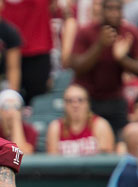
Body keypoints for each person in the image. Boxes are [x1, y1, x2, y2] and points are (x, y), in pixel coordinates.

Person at [70, 0, 138, 135]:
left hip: (115, 98)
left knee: (120, 140)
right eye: (109, 9)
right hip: (88, 99)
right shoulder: (86, 31)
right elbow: (77, 67)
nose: (114, 13)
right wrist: (100, 45)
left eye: (117, 9)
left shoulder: (130, 33)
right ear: (101, 10)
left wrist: (122, 59)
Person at [46, 84, 115, 157]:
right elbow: (53, 162)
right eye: (70, 101)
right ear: (64, 105)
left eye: (80, 100)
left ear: (87, 103)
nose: (75, 105)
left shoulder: (100, 125)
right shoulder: (55, 127)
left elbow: (105, 160)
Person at [0, 89, 36, 154]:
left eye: (16, 107)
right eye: (6, 106)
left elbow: (22, 153)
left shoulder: (30, 130)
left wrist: (16, 122)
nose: (11, 111)